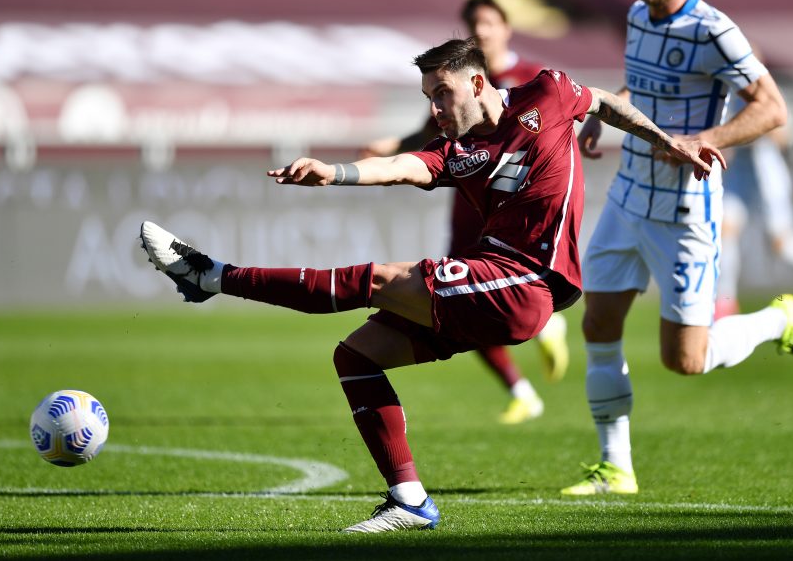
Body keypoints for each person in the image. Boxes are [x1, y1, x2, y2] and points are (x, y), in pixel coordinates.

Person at [140, 37, 721, 532]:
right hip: (491, 282)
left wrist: (670, 142)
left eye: (442, 93)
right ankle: (409, 500)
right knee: (358, 356)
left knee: (379, 279)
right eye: (428, 97)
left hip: (526, 283)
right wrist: (335, 173)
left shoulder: (547, 92)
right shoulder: (458, 154)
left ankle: (212, 277)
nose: (436, 108)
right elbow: (403, 167)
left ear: (476, 82)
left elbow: (606, 103)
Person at [560, 0, 793, 497]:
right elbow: (640, 88)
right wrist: (601, 117)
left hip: (685, 210)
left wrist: (708, 139)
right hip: (629, 194)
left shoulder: (714, 30)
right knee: (599, 322)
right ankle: (616, 468)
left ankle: (779, 320)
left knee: (686, 359)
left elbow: (773, 108)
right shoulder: (635, 17)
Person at [364, 0, 568, 425]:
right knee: (461, 300)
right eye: (474, 23)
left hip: (516, 209)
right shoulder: (450, 81)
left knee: (475, 298)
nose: (483, 30)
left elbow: (564, 123)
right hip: (471, 201)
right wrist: (392, 148)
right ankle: (521, 389)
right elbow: (430, 131)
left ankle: (544, 328)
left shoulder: (532, 79)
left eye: (489, 22)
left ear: (507, 27)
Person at [715, 122, 793, 318]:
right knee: (724, 232)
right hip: (739, 168)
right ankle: (724, 300)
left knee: (780, 242)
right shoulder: (728, 96)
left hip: (765, 169)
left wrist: (752, 130)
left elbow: (782, 135)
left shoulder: (767, 92)